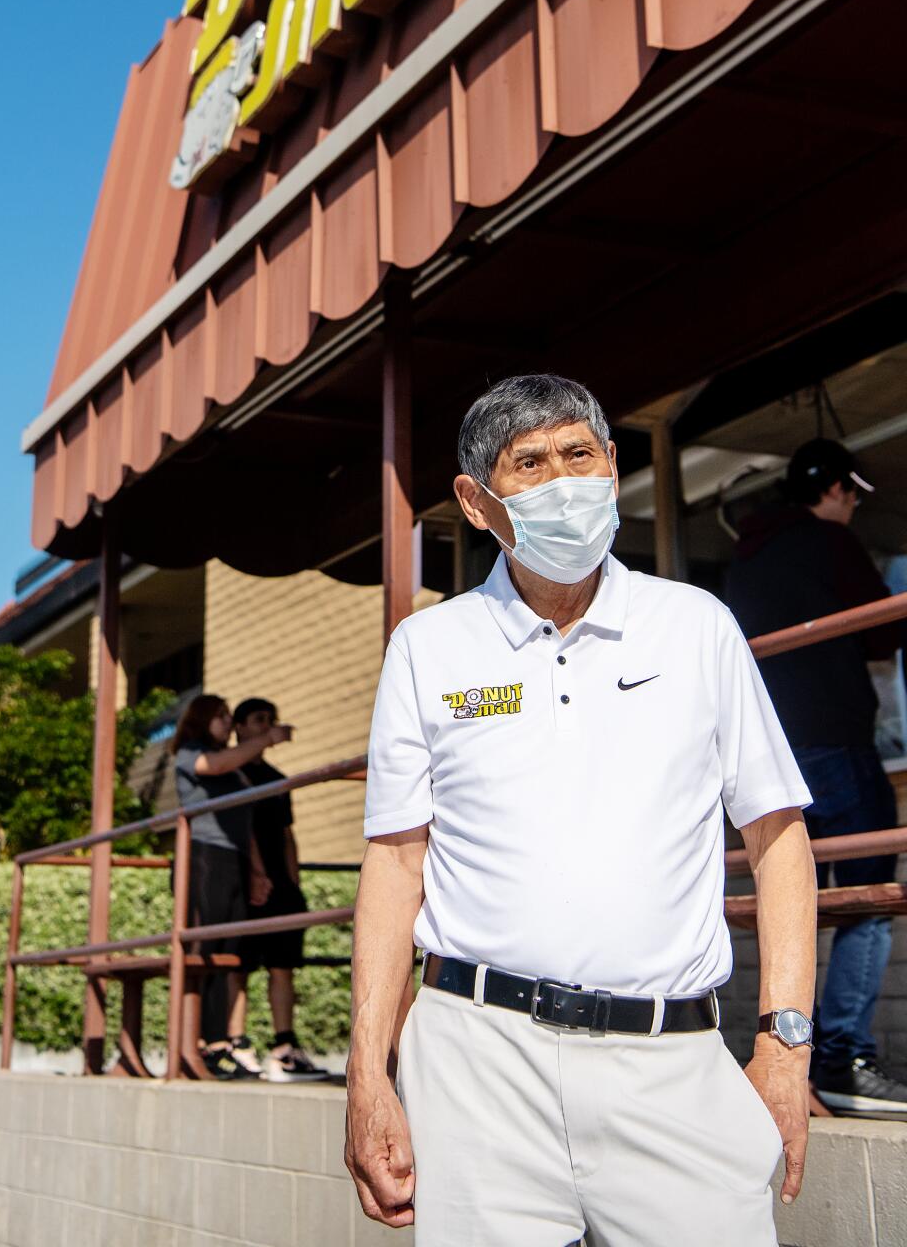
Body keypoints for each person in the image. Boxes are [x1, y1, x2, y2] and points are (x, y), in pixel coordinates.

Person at [346, 373, 817, 1246]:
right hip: (477, 1064)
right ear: (475, 501)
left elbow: (779, 837)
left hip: (673, 1062)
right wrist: (368, 1069)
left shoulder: (696, 625)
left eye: (580, 454)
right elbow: (397, 861)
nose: (564, 481)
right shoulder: (429, 648)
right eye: (529, 463)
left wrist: (784, 1050)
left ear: (610, 465)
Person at [726, 437, 907, 1116]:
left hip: (772, 752)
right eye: (852, 493)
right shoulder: (831, 543)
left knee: (794, 892)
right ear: (832, 489)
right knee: (870, 895)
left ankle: (788, 1052)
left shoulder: (746, 558)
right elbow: (882, 636)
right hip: (835, 738)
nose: (854, 505)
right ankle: (843, 1056)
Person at [171, 693, 291, 1080]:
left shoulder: (237, 770)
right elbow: (216, 763)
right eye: (221, 716)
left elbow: (246, 826)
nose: (225, 722)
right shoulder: (191, 753)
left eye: (227, 716)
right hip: (203, 857)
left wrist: (257, 872)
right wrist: (266, 739)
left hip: (236, 861)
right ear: (202, 719)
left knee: (230, 953)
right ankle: (199, 1044)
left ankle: (221, 1042)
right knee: (203, 950)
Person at [228, 696, 328, 1082]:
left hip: (279, 886)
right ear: (240, 726)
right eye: (258, 720)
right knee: (237, 964)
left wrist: (293, 884)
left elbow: (287, 834)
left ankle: (284, 1046)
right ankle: (236, 1044)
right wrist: (253, 875)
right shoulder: (226, 773)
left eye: (271, 720)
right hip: (239, 886)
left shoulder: (275, 778)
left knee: (282, 965)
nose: (267, 726)